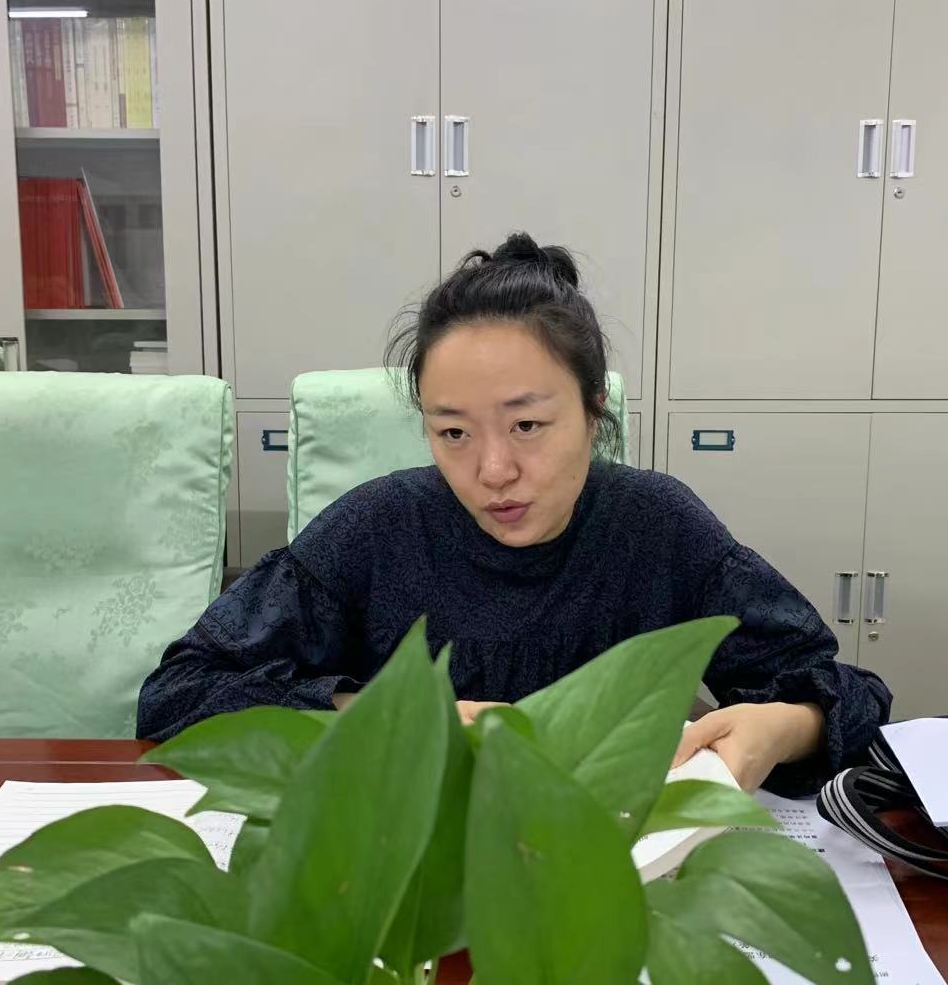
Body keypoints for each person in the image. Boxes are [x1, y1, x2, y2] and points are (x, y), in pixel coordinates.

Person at [138, 233, 891, 794]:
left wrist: (784, 726)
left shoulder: (658, 528)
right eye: (453, 433)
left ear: (592, 413)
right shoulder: (377, 528)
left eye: (527, 425)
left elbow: (851, 697)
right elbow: (180, 694)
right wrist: (383, 713)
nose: (493, 471)